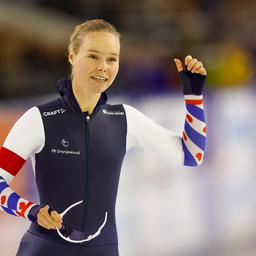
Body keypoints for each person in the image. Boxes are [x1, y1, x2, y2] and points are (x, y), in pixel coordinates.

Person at [0, 19, 207, 256]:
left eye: (112, 59)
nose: (103, 67)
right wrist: (31, 210)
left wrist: (193, 97)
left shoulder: (125, 119)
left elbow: (192, 154)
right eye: (93, 56)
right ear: (72, 56)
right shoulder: (39, 119)